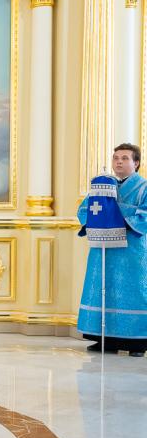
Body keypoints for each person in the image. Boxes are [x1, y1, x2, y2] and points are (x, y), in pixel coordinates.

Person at [77, 143, 147, 357]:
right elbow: (84, 209)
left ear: (136, 163)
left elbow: (144, 216)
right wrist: (99, 219)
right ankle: (105, 340)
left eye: (125, 158)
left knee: (134, 293)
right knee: (103, 289)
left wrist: (115, 214)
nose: (119, 162)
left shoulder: (143, 187)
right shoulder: (102, 185)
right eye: (116, 158)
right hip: (103, 249)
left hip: (132, 250)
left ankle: (137, 343)